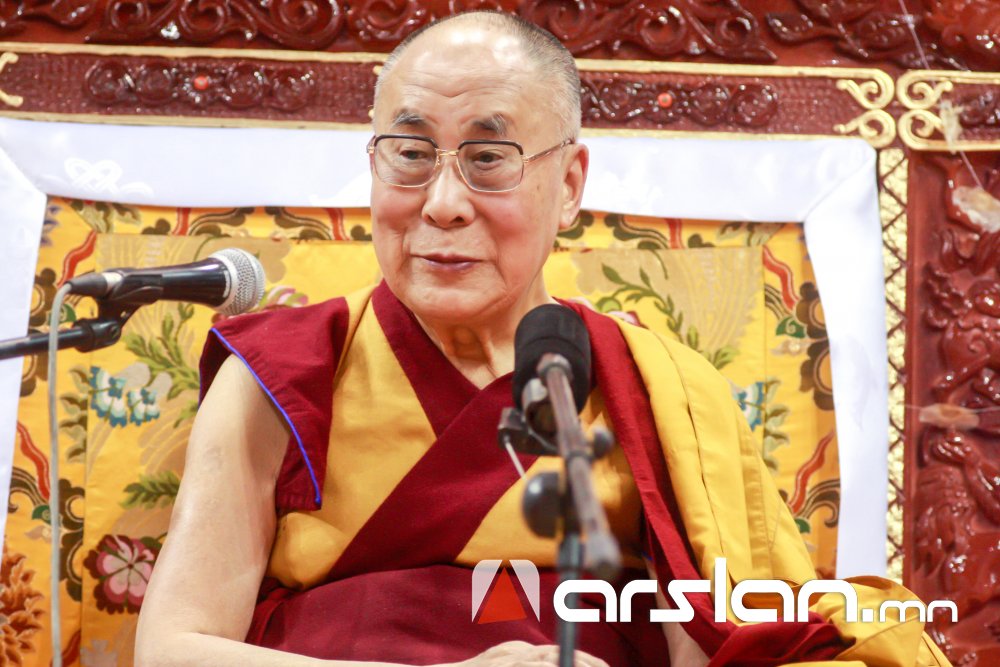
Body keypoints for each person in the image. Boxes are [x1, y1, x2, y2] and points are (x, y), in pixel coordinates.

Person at [134, 11, 952, 667]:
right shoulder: (284, 372)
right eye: (410, 154)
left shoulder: (663, 392)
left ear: (568, 184)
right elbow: (172, 648)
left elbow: (725, 646)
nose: (442, 202)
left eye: (489, 158)